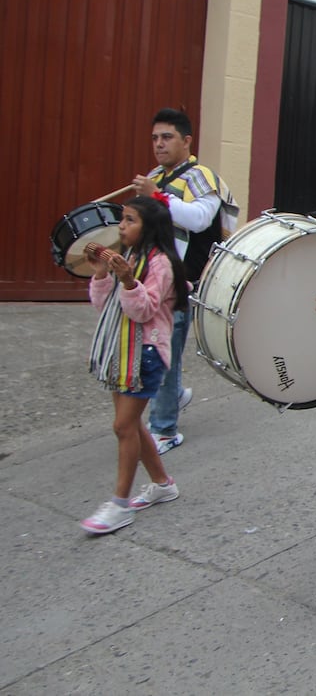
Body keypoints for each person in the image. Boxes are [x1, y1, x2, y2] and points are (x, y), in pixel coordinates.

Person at [131, 108, 237, 455]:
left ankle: (164, 429)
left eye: (167, 137)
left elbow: (199, 218)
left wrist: (156, 196)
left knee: (164, 353)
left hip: (183, 279)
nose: (159, 145)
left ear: (187, 141)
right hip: (154, 278)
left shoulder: (201, 176)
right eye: (154, 138)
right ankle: (173, 394)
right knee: (162, 348)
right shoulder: (154, 176)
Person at [80, 196, 187, 534]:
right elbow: (104, 305)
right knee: (131, 425)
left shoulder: (161, 264)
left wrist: (128, 281)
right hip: (120, 350)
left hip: (146, 354)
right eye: (122, 220)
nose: (121, 227)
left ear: (148, 227)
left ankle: (119, 504)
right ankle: (162, 483)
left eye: (129, 220)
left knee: (123, 427)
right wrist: (101, 274)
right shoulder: (129, 256)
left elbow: (143, 311)